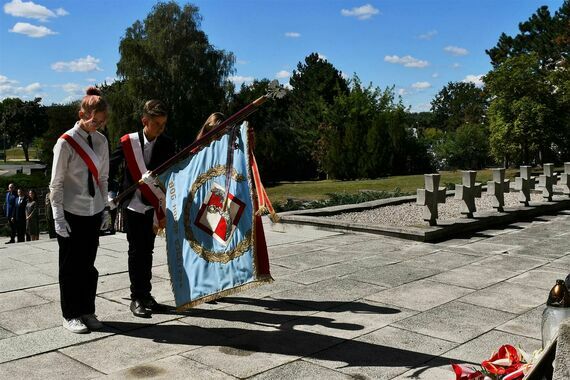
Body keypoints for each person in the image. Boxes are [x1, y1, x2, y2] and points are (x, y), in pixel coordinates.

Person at [50, 86, 109, 334]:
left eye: (102, 121)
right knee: (70, 267)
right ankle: (70, 314)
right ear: (81, 113)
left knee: (89, 265)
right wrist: (58, 217)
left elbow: (103, 178)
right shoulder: (65, 143)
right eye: (94, 119)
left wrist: (105, 208)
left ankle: (87, 310)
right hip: (72, 211)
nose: (97, 124)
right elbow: (57, 182)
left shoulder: (101, 141)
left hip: (93, 210)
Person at [108, 99, 175, 318]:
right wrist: (110, 193)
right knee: (136, 252)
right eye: (157, 124)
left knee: (147, 251)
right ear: (144, 120)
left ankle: (146, 295)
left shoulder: (166, 143)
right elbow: (109, 167)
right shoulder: (129, 142)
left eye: (164, 124)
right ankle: (137, 297)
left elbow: (173, 172)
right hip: (134, 205)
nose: (161, 128)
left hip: (154, 206)